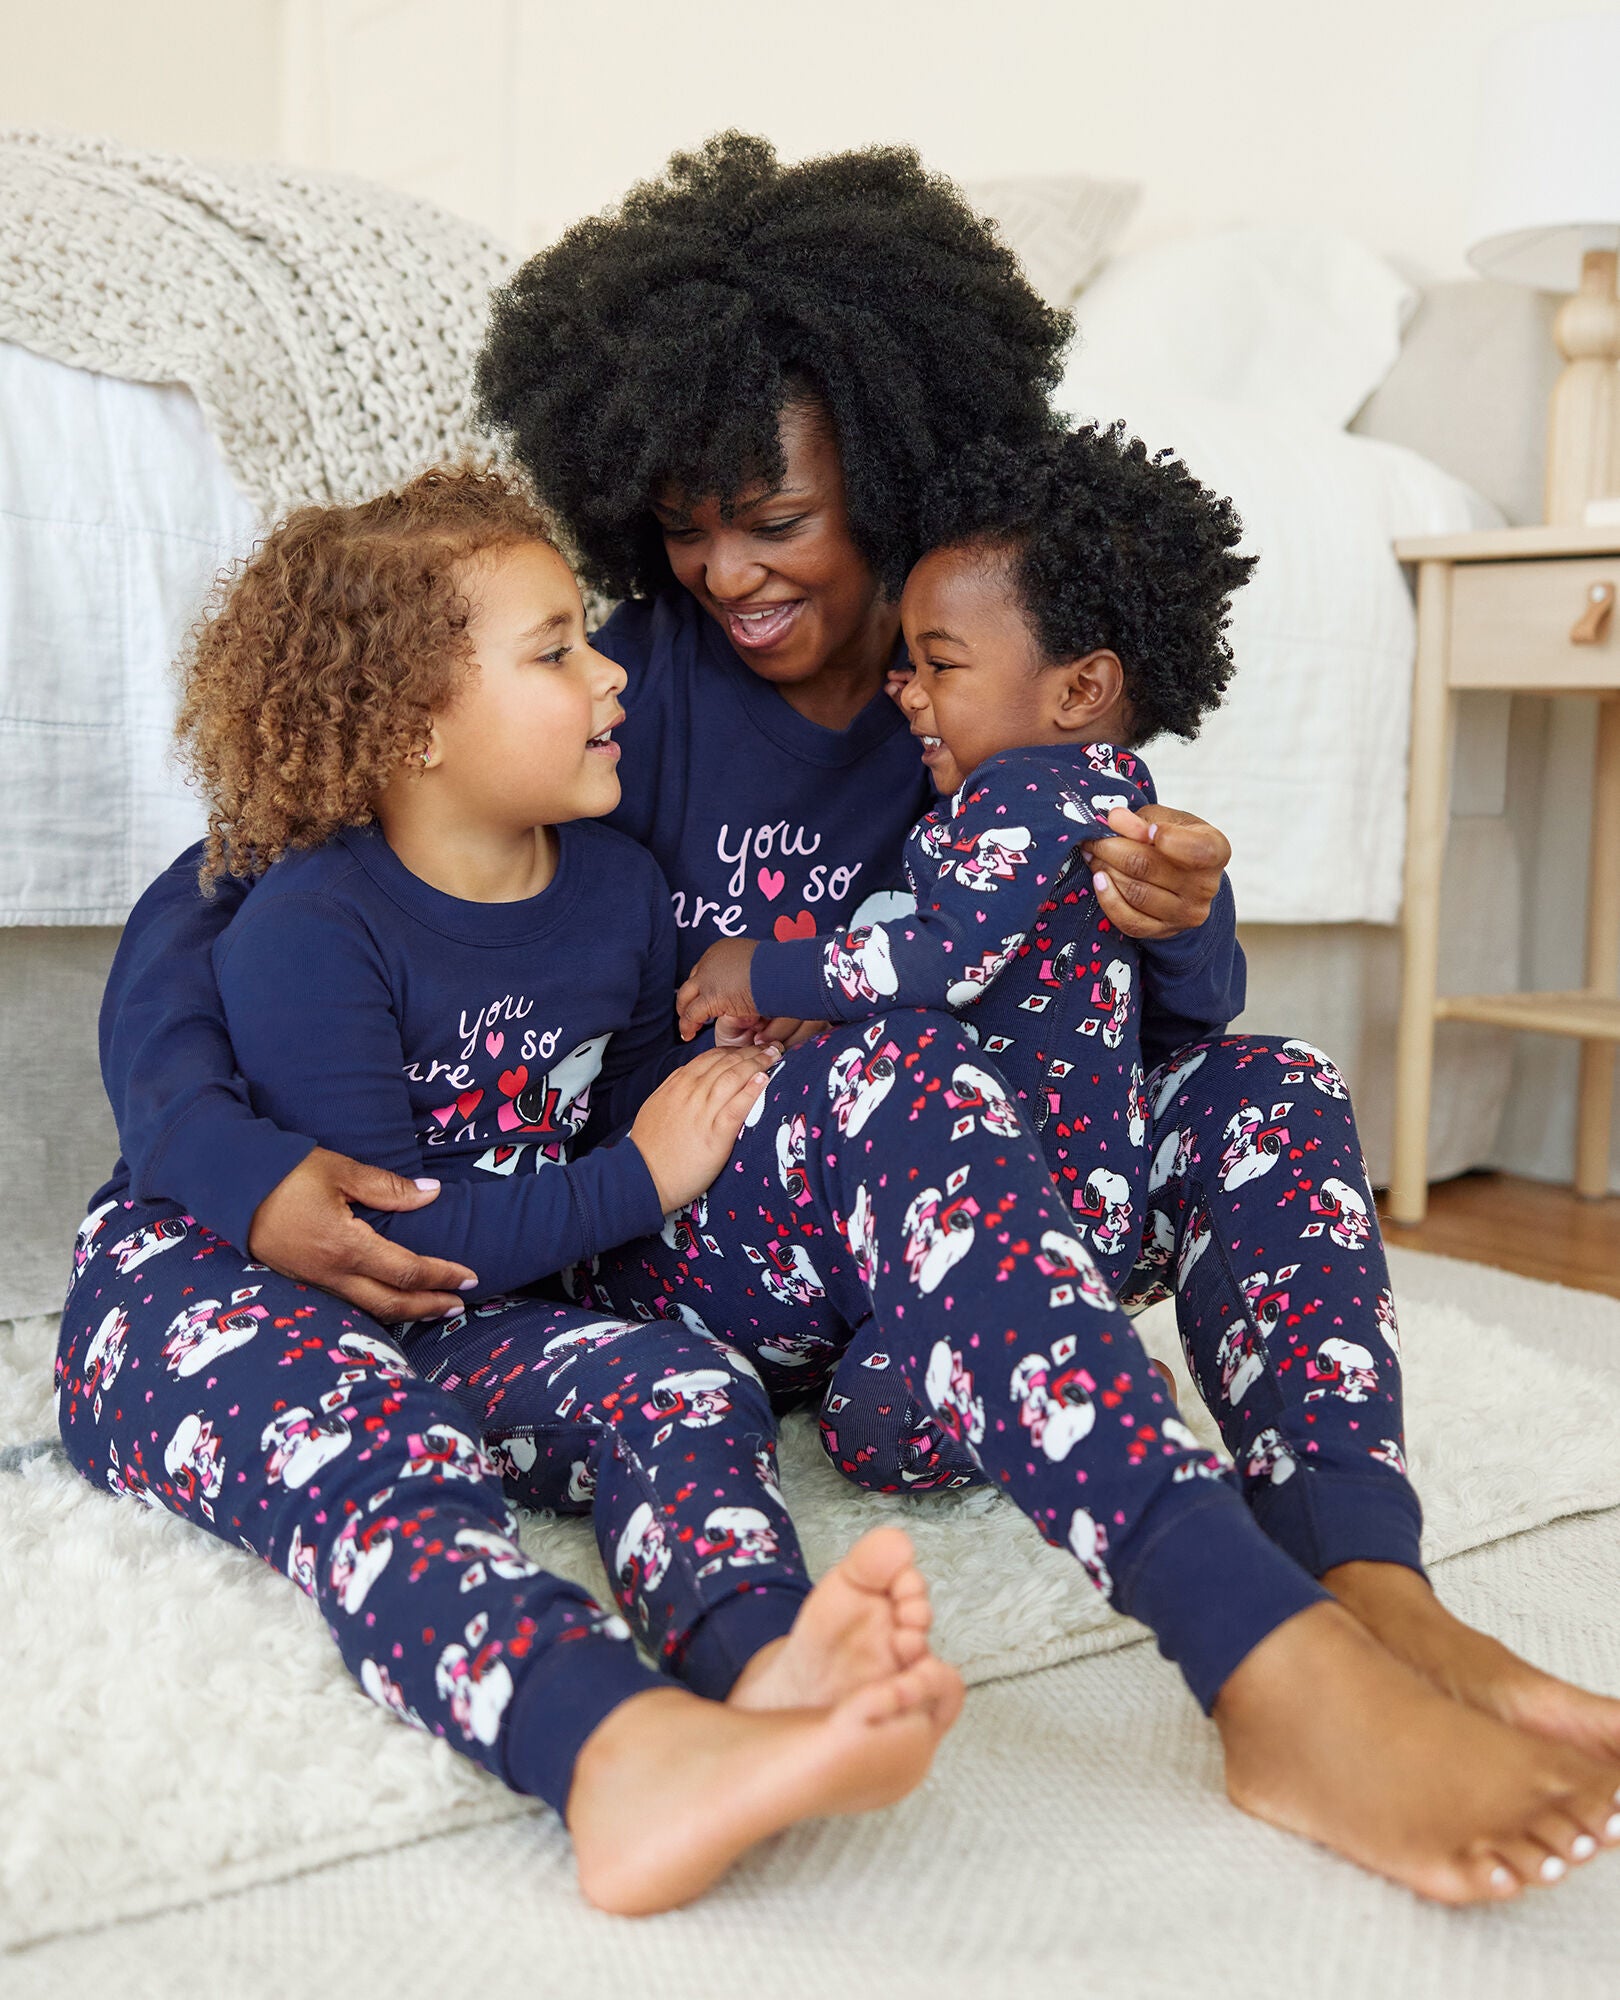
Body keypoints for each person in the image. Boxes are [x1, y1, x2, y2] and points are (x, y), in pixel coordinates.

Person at [100, 134, 1620, 1903]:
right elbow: (235, 887)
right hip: (697, 1225)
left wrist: (1183, 920)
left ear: (890, 476)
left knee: (1264, 1085)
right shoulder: (623, 685)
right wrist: (226, 1160)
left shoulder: (976, 681)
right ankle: (1251, 1656)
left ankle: (1366, 1583)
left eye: (779, 521)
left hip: (955, 1247)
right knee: (902, 1070)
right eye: (683, 528)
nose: (725, 571)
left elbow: (1114, 1002)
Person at [57, 468, 964, 1917]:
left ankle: (765, 1657)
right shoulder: (300, 908)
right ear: (409, 722)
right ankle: (604, 1742)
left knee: (681, 1383)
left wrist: (751, 1064)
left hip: (461, 1303)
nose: (612, 672)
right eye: (556, 652)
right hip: (228, 1288)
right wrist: (642, 1172)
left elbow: (631, 1098)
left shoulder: (613, 887)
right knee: (367, 1444)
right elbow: (386, 1222)